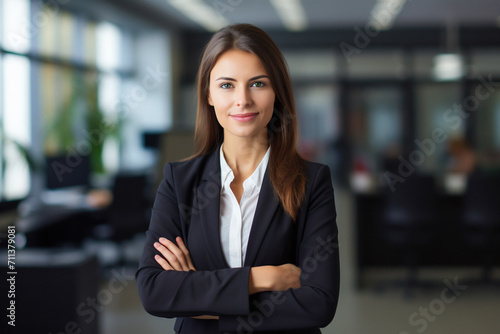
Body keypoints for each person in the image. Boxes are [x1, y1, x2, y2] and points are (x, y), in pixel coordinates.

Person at [136, 23, 340, 334]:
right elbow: (154, 291)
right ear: (208, 94)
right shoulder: (180, 182)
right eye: (227, 85)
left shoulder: (311, 181)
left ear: (277, 93)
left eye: (257, 84)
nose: (242, 100)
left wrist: (197, 298)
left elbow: (318, 303)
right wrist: (262, 279)